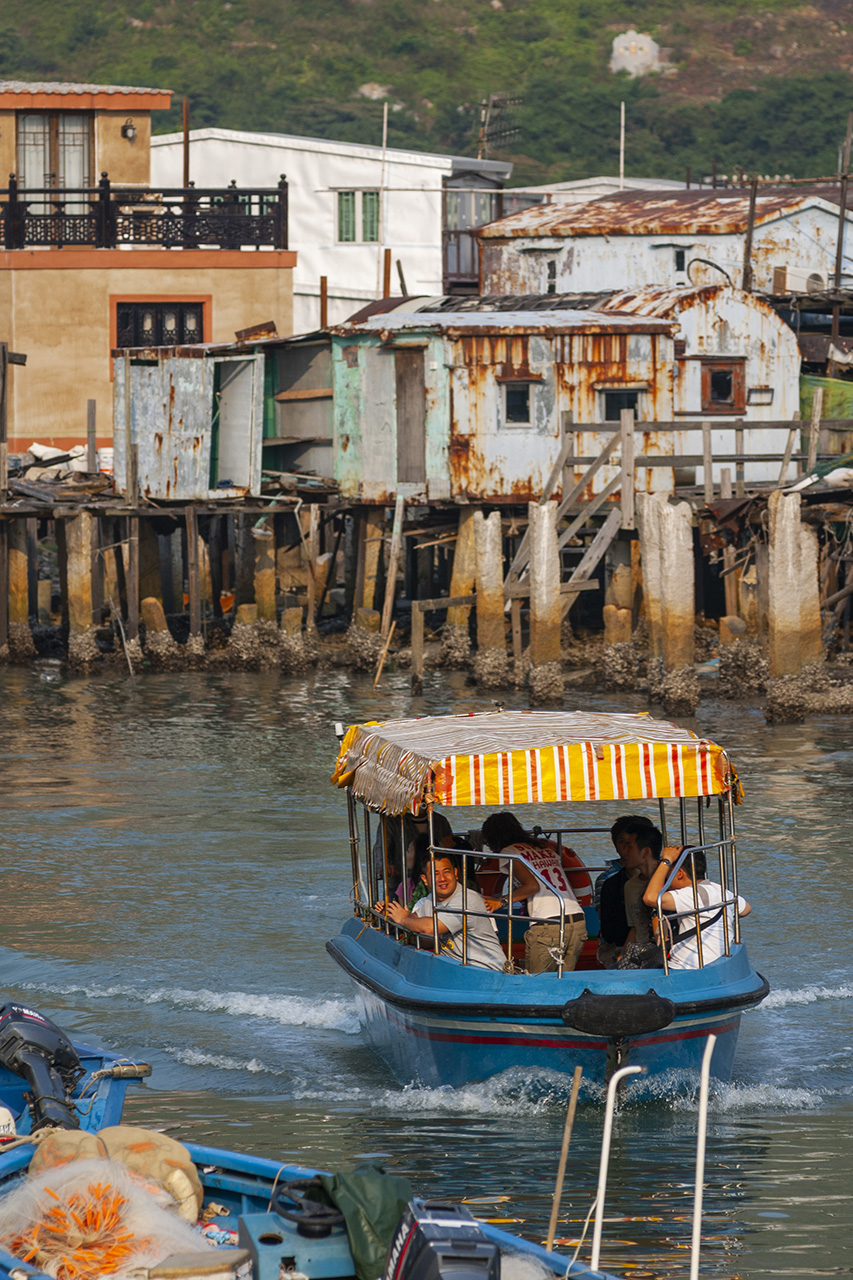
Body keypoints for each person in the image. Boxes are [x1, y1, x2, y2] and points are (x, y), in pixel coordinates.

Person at [481, 812, 587, 975]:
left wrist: (501, 902)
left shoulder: (509, 852)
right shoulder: (544, 849)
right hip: (577, 922)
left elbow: (532, 886)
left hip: (549, 925)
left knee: (537, 985)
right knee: (562, 982)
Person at [384, 854, 506, 971]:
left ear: (456, 873)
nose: (442, 878)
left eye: (447, 872)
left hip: (487, 970)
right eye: (435, 874)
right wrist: (390, 914)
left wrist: (403, 920)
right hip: (459, 969)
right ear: (425, 879)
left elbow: (431, 927)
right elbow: (413, 920)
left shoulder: (467, 899)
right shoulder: (429, 900)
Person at [642, 847, 751, 971]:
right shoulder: (719, 890)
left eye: (667, 875)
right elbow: (746, 909)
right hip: (719, 963)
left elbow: (650, 898)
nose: (667, 881)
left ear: (679, 874)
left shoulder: (690, 894)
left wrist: (666, 861)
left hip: (686, 966)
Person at [596, 815, 656, 968]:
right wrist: (625, 955)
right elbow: (612, 929)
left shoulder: (668, 878)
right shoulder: (610, 882)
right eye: (622, 843)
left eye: (630, 845)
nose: (625, 850)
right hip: (621, 944)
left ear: (645, 849)